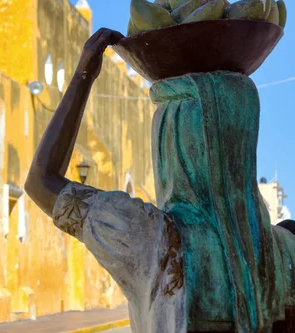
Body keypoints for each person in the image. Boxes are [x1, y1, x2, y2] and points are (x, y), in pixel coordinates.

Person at [24, 28, 295, 333]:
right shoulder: (285, 251)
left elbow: (41, 181)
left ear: (170, 141)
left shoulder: (153, 240)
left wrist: (84, 73)